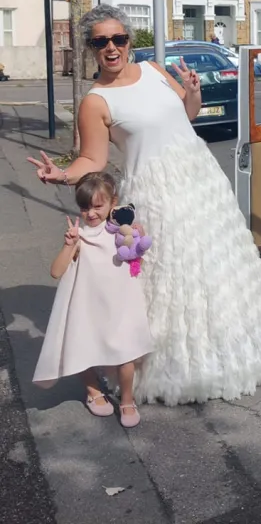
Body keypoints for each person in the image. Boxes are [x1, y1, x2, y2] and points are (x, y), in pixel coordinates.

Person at [26, 4, 261, 406]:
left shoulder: (154, 70)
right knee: (172, 280)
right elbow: (93, 159)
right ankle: (173, 369)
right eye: (101, 42)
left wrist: (194, 92)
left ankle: (231, 356)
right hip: (156, 194)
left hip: (202, 183)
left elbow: (187, 116)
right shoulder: (95, 102)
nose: (112, 47)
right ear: (90, 49)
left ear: (129, 40)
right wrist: (62, 174)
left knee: (216, 270)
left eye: (119, 38)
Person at [32, 172, 154, 428]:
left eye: (98, 206)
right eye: (85, 207)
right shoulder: (81, 237)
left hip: (121, 305)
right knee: (81, 348)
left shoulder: (122, 232)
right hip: (88, 305)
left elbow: (136, 259)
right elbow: (56, 271)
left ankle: (127, 400)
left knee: (126, 353)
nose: (91, 213)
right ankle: (93, 390)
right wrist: (69, 244)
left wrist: (138, 237)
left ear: (113, 202)